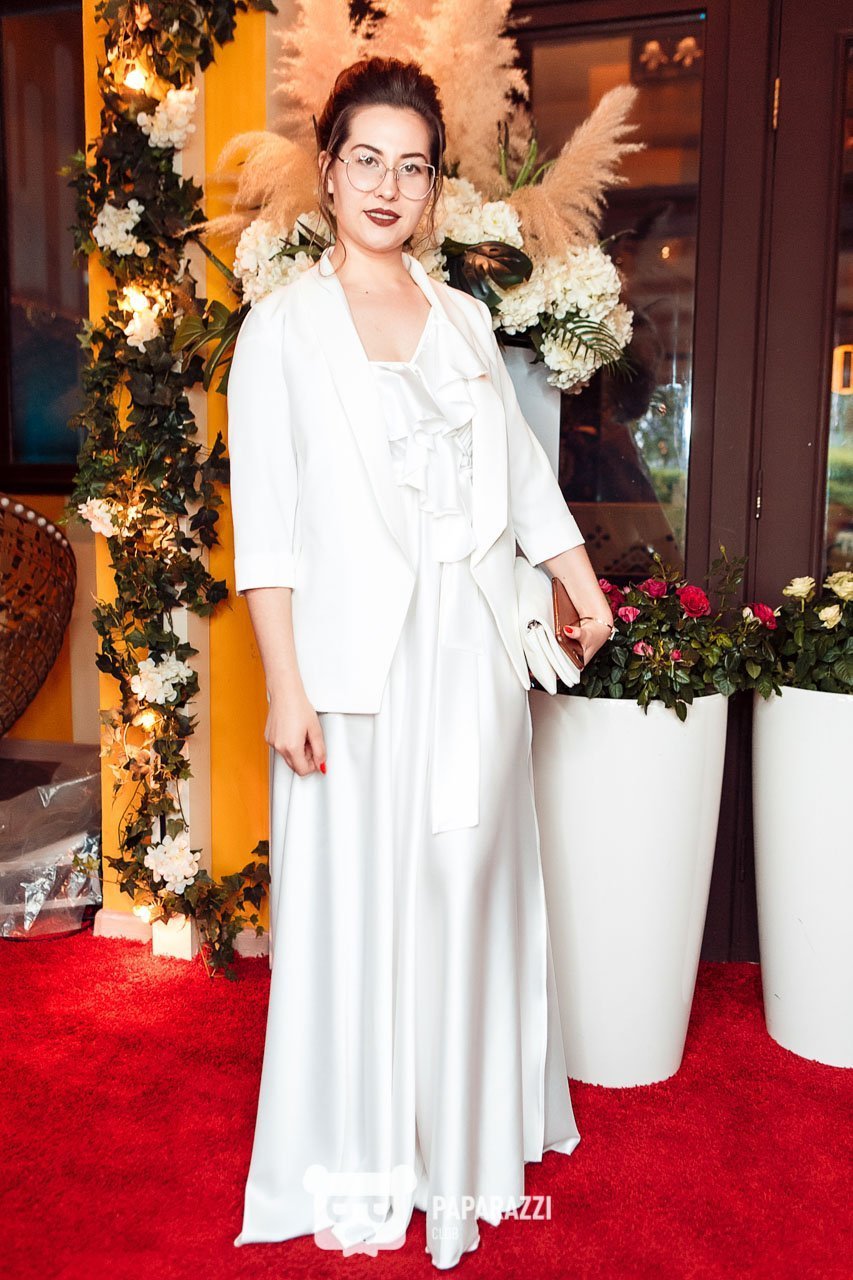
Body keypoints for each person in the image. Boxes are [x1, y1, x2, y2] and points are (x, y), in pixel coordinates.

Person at [228, 55, 615, 1271]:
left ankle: (465, 1142)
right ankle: (365, 1149)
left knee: (464, 888)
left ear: (435, 186)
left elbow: (520, 478)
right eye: (366, 160)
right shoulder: (280, 330)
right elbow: (269, 526)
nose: (388, 186)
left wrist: (580, 584)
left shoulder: (464, 320)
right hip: (351, 667)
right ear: (329, 170)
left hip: (470, 656)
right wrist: (285, 684)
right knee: (357, 907)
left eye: (412, 166)